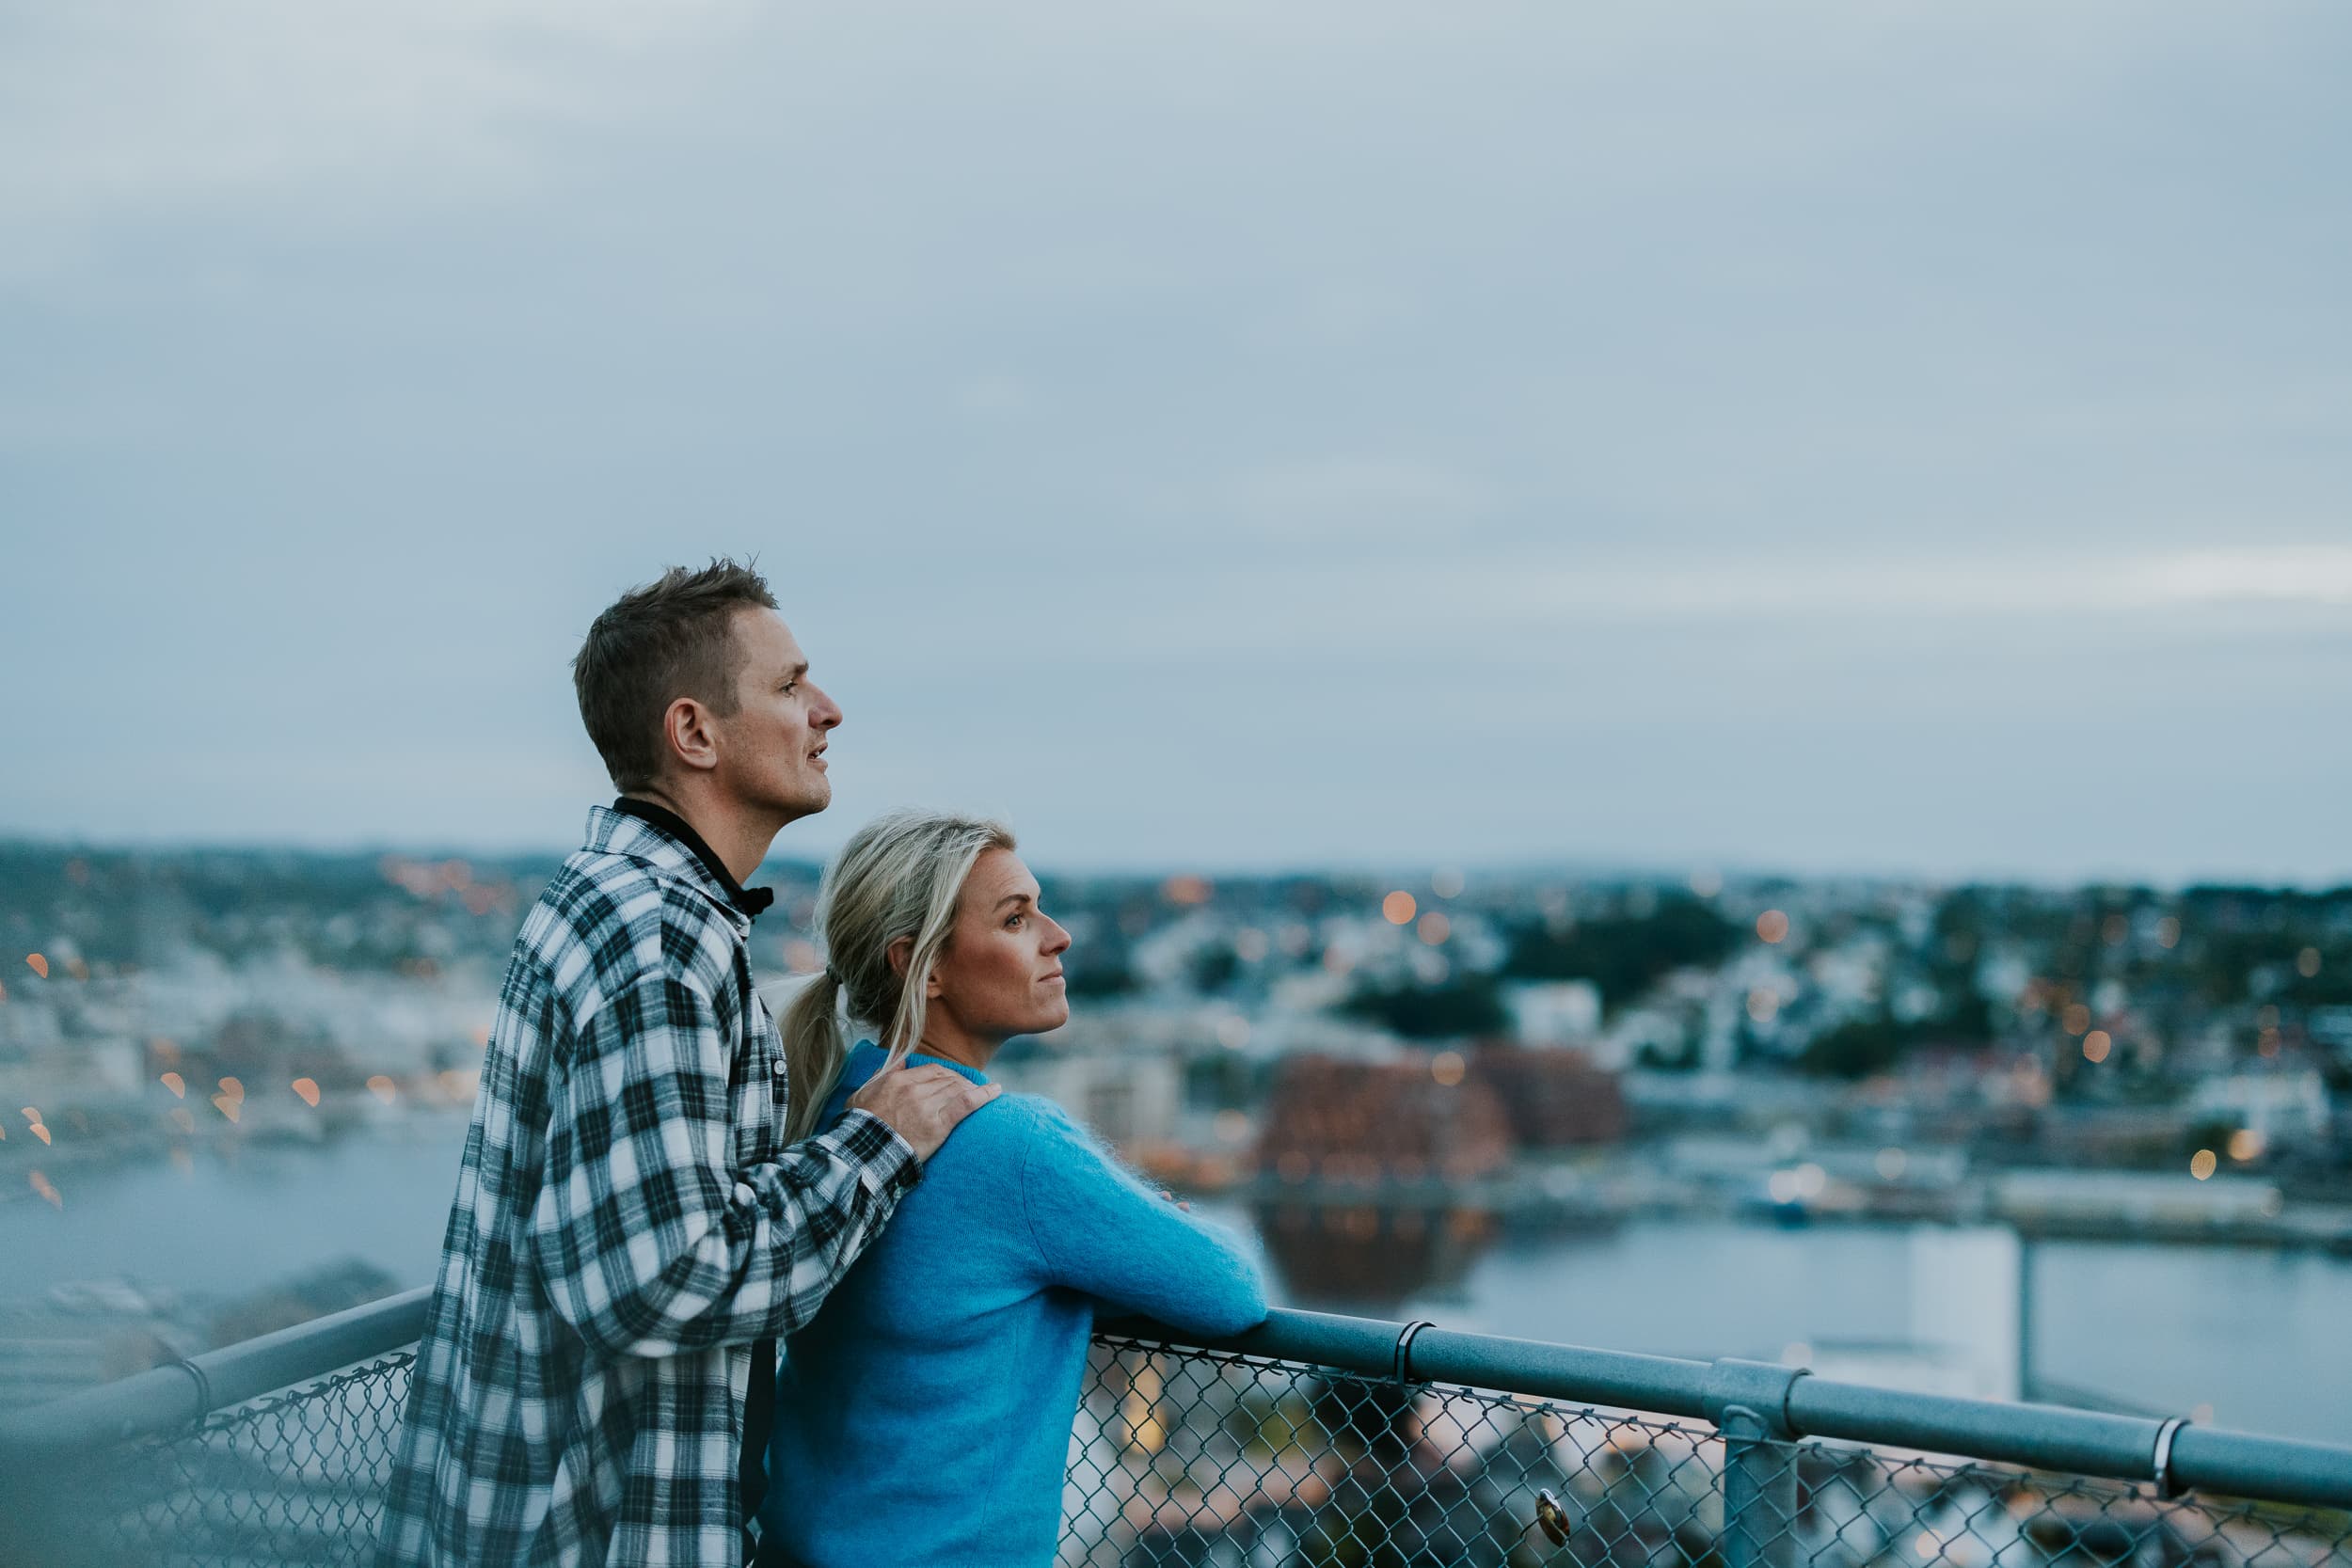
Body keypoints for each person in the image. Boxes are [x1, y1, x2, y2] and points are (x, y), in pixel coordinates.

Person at [377, 562, 998, 1568]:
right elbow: (662, 1276)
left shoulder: (619, 902)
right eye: (791, 685)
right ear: (695, 732)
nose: (828, 710)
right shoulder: (656, 935)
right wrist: (876, 1143)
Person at [756, 810, 1269, 1568]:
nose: (1058, 935)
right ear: (922, 965)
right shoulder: (1014, 1144)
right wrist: (1130, 1233)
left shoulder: (833, 1105)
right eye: (1017, 917)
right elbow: (1232, 1290)